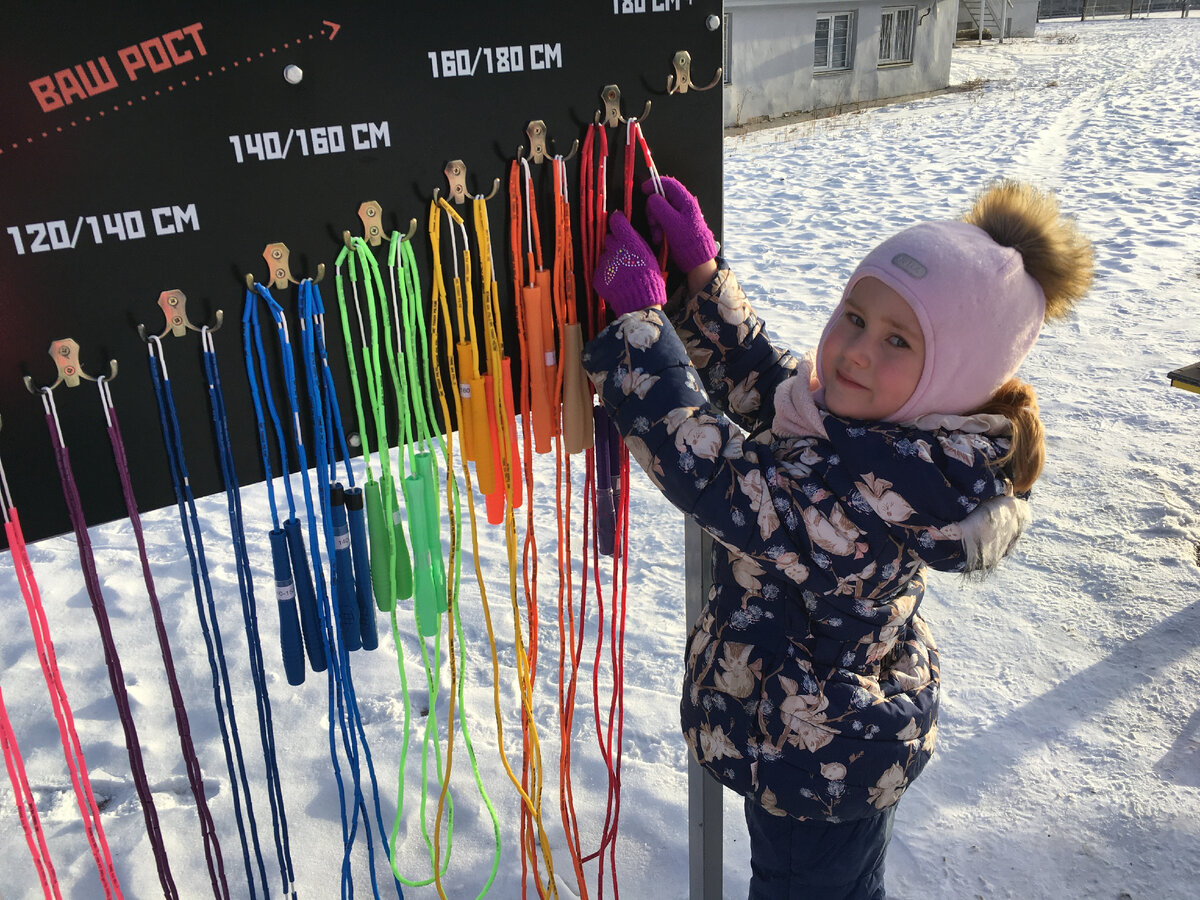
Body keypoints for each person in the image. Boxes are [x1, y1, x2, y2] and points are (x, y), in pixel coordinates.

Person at [581, 177, 1093, 899]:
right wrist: (702, 276)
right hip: (822, 738)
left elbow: (723, 479)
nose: (854, 351)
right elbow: (771, 382)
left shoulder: (875, 498)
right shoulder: (883, 429)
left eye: (896, 340)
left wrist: (641, 324)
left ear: (954, 376)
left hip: (818, 762)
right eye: (853, 316)